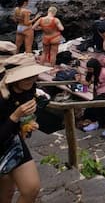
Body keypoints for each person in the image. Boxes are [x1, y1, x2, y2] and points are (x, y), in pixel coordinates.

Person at [0, 53, 51, 203]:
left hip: (12, 142)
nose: (32, 80)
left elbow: (30, 110)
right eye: (27, 77)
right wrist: (15, 116)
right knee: (6, 193)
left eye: (34, 76)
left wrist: (26, 124)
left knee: (31, 188)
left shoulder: (28, 89)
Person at [78, 58, 105, 136]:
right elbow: (87, 84)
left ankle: (98, 124)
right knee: (103, 110)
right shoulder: (92, 73)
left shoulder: (104, 72)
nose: (89, 70)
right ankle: (104, 125)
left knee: (94, 105)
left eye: (90, 69)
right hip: (99, 93)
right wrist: (79, 80)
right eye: (88, 69)